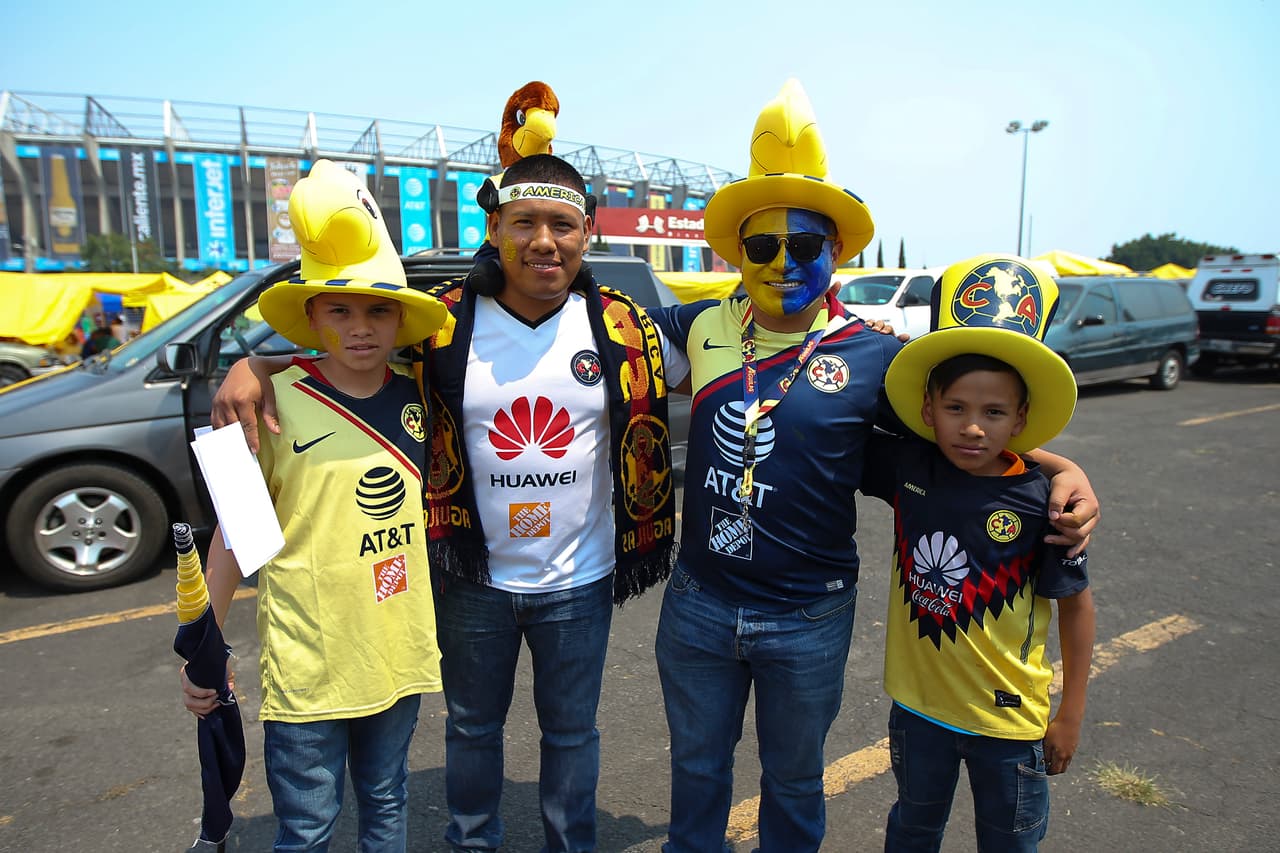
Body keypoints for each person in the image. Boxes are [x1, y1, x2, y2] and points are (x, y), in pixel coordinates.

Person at [643, 80, 1098, 853]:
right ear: (737, 253)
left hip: (807, 616)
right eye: (761, 246)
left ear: (837, 252)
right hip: (700, 604)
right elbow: (588, 344)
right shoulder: (698, 325)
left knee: (794, 780)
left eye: (804, 246)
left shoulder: (875, 358)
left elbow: (960, 440)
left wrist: (1061, 468)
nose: (781, 262)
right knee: (696, 770)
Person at [209, 152, 687, 853]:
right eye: (523, 222)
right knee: (470, 728)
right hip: (471, 580)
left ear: (588, 232)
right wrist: (254, 364)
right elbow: (349, 357)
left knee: (572, 733)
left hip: (579, 580)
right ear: (494, 229)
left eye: (562, 224)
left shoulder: (625, 327)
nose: (544, 241)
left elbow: (725, 349)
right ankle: (472, 843)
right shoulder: (440, 324)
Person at [182, 158, 448, 852]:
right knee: (306, 825)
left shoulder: (421, 393)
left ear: (401, 317)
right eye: (339, 309)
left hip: (397, 655)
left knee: (388, 802)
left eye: (378, 309)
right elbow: (233, 533)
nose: (360, 327)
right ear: (310, 316)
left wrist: (257, 361)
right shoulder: (263, 400)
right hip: (307, 664)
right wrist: (203, 646)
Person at [864, 254, 1096, 851]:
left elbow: (1076, 607)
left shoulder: (1045, 501)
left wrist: (1070, 713)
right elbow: (840, 407)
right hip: (918, 711)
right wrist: (877, 342)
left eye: (994, 413)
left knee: (1010, 841)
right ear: (928, 411)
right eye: (956, 409)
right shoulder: (908, 465)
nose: (973, 428)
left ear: (1021, 418)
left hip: (1009, 722)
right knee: (913, 829)